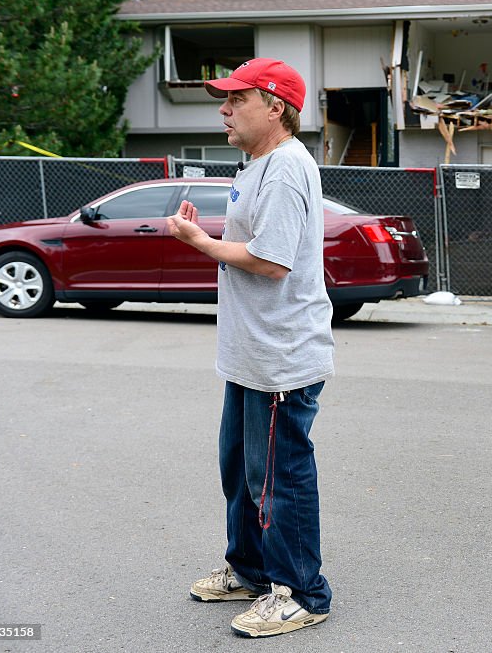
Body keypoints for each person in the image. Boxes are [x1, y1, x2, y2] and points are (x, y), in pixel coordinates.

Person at [166, 57, 335, 638]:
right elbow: (256, 240)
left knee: (279, 478)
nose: (224, 108)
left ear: (276, 107)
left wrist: (201, 242)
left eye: (237, 100)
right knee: (240, 471)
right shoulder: (257, 164)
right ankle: (251, 569)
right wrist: (207, 236)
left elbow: (270, 260)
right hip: (249, 354)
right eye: (226, 99)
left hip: (281, 358)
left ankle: (303, 593)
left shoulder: (287, 167)